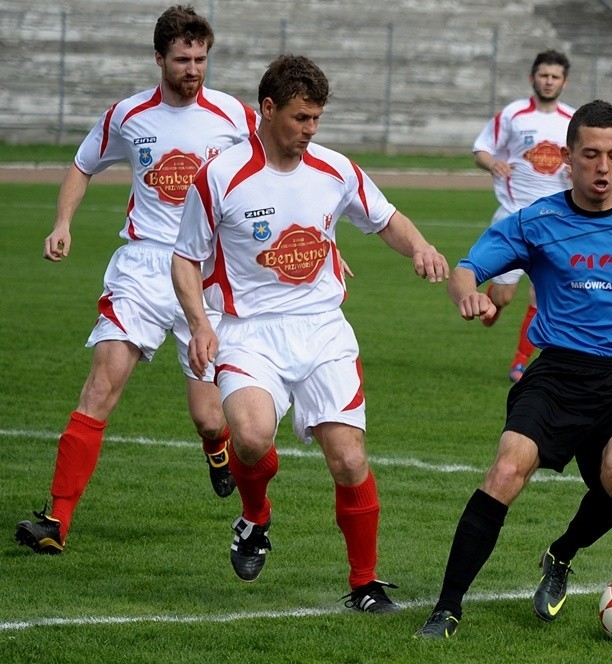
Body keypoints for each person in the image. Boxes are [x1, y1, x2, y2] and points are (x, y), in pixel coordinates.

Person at [171, 54, 449, 612]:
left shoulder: (334, 169)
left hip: (322, 329)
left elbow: (384, 216)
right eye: (300, 118)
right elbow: (185, 259)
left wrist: (420, 246)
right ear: (267, 109)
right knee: (249, 438)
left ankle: (364, 584)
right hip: (247, 331)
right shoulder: (221, 176)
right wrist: (201, 323)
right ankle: (255, 517)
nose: (309, 131)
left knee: (348, 459)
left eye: (317, 119)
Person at [415, 99, 612, 639]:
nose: (602, 167)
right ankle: (446, 608)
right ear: (567, 157)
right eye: (590, 155)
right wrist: (468, 296)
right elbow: (466, 269)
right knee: (508, 469)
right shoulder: (537, 221)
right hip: (558, 372)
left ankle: (561, 555)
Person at [15, 5, 258, 555]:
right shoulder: (127, 115)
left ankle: (216, 448)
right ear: (159, 59)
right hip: (143, 268)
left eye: (200, 59)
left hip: (205, 275)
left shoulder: (235, 116)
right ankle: (56, 522)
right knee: (101, 386)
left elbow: (280, 176)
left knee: (210, 417)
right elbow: (82, 164)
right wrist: (62, 223)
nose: (193, 69)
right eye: (182, 59)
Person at [472, 49, 575, 383]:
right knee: (502, 296)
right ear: (533, 78)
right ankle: (494, 303)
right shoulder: (513, 115)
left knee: (543, 296)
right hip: (514, 217)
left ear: (564, 81)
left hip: (556, 220)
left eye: (555, 76)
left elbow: (582, 159)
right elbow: (481, 149)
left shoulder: (573, 120)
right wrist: (493, 163)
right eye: (543, 75)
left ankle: (519, 363)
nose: (549, 81)